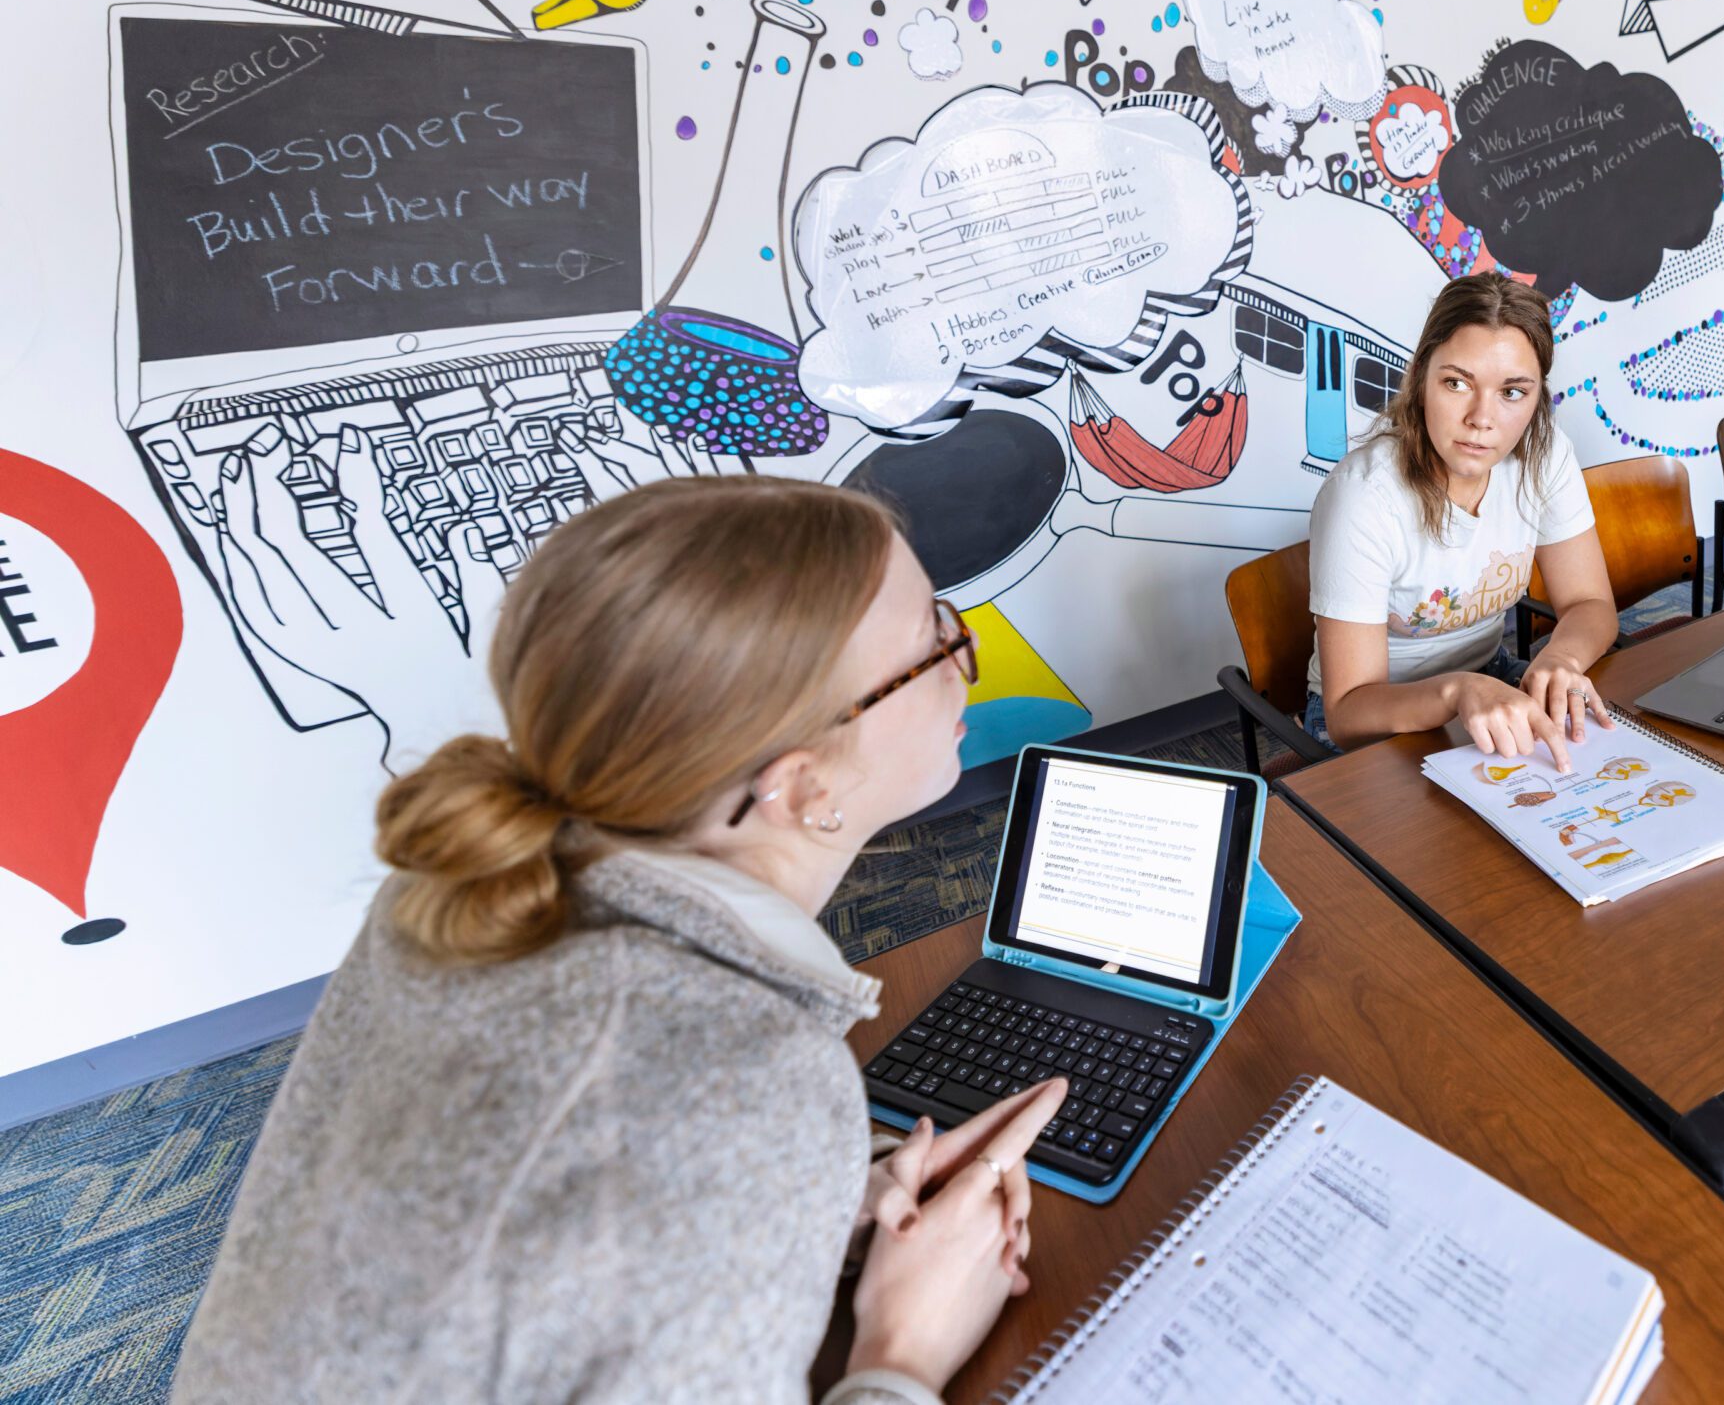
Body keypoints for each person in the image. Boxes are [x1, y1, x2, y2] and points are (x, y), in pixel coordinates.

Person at [173, 476, 1067, 1405]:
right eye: (935, 644)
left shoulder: (456, 885)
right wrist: (906, 1347)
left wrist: (818, 1198)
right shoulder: (745, 1076)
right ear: (802, 790)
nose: (967, 656)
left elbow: (526, 1218)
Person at [1307, 273, 1619, 769]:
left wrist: (1560, 659)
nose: (1481, 418)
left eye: (1512, 392)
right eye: (1457, 383)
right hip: (1381, 711)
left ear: (1538, 395)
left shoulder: (1545, 455)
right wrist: (1459, 692)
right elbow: (1348, 712)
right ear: (1421, 380)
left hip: (1487, 678)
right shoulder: (1363, 496)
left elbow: (1591, 603)